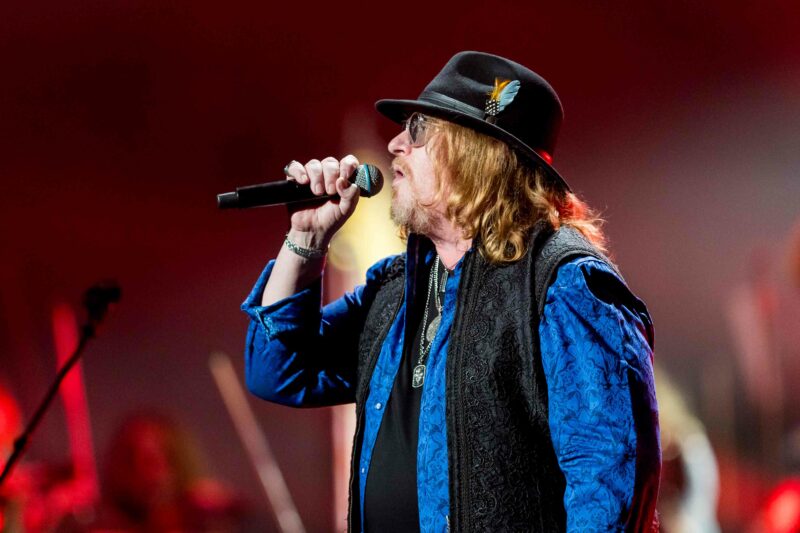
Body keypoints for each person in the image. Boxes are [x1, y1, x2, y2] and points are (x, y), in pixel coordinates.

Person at [242, 51, 660, 532]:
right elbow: (279, 371)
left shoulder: (560, 285)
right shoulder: (396, 290)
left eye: (418, 129)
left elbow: (607, 486)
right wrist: (307, 238)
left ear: (475, 154)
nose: (395, 144)